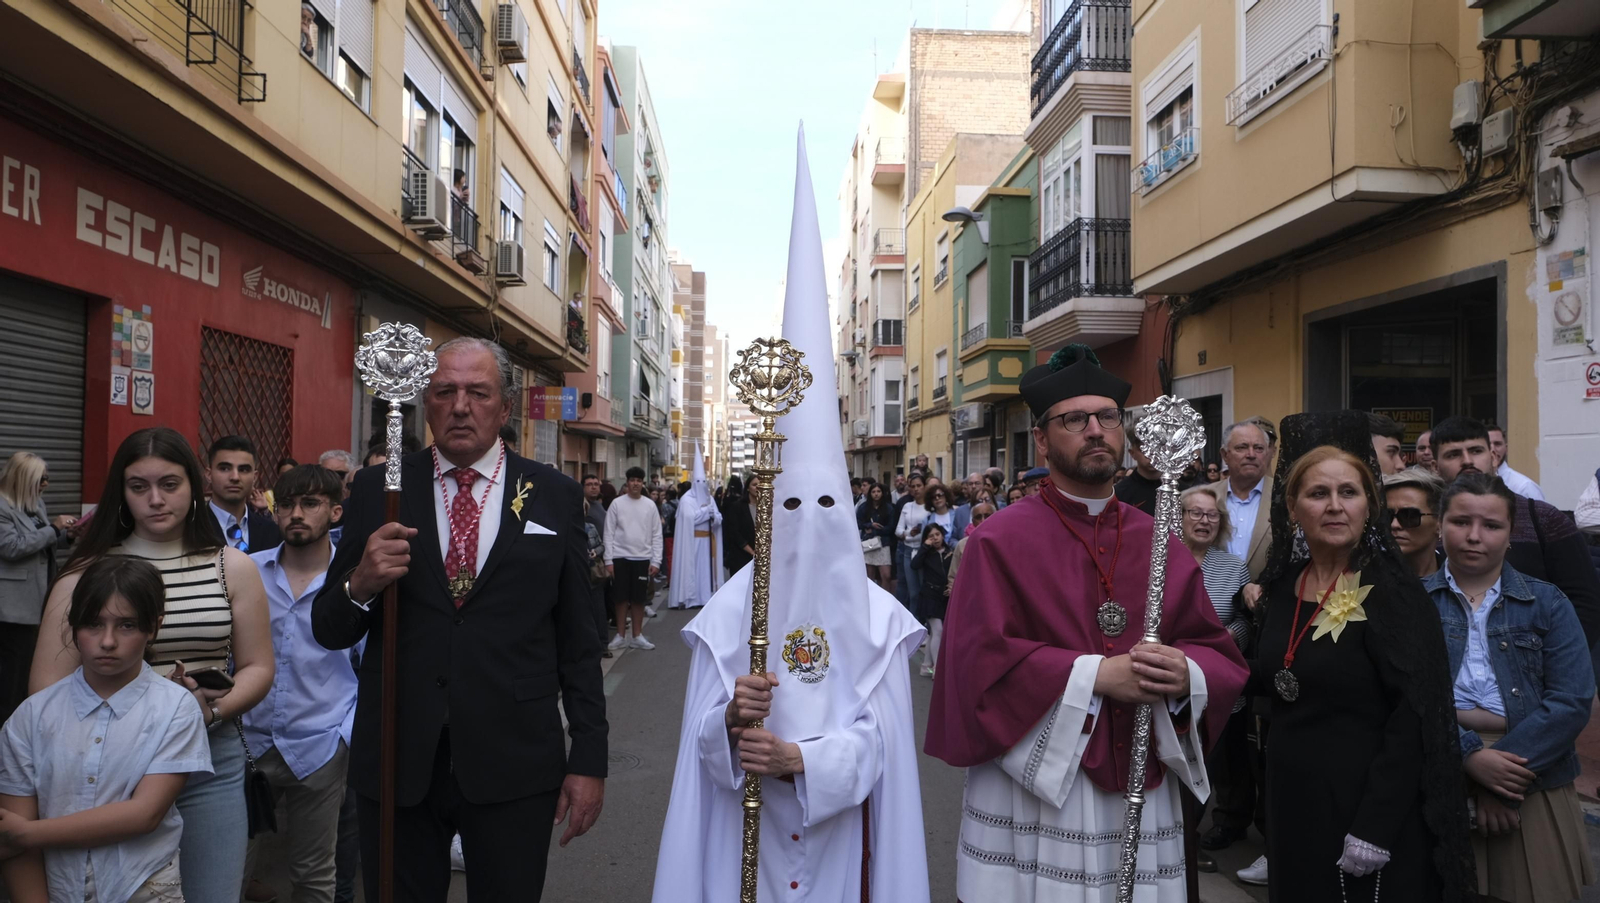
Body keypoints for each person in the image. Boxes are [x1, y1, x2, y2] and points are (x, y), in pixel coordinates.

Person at [652, 136, 930, 899]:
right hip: (740, 846)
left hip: (845, 850)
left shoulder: (879, 620)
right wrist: (732, 727)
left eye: (828, 505)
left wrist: (803, 760)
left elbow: (886, 750)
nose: (810, 522)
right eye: (792, 506)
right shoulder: (729, 612)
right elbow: (702, 747)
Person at [926, 343, 1248, 902]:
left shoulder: (1158, 540)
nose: (1096, 430)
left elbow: (1216, 654)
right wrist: (1096, 675)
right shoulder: (997, 542)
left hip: (1141, 779)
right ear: (1044, 438)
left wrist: (1183, 672)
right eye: (1075, 419)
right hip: (1033, 782)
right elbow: (976, 662)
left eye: (1107, 417)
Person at [310, 337, 607, 902]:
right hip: (398, 754)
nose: (461, 406)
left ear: (506, 407)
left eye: (478, 392)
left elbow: (578, 640)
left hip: (514, 758)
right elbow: (329, 627)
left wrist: (589, 757)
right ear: (426, 401)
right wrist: (361, 583)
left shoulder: (553, 495)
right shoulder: (381, 489)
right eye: (445, 391)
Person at [31, 426, 275, 903]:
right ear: (120, 493)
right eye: (138, 486)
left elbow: (258, 667)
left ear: (193, 485)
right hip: (106, 764)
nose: (155, 499)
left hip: (210, 760)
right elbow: (46, 694)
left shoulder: (233, 567)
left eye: (170, 484)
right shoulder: (84, 574)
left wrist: (207, 713)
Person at [1246, 413, 1472, 902]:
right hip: (1292, 799)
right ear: (1292, 506)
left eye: (1348, 493)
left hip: (1365, 806)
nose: (1334, 507)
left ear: (1369, 505)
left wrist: (1375, 824)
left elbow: (1414, 717)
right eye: (1317, 494)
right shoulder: (1283, 588)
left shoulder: (1394, 595)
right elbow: (1267, 677)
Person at [0, 556, 213, 903]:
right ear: (72, 625)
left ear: (153, 626)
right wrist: (19, 838)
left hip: (143, 888)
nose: (108, 641)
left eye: (127, 625)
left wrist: (26, 833)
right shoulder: (32, 717)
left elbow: (145, 813)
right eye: (93, 624)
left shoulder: (175, 708)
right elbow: (11, 840)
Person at [1426, 473, 1596, 903]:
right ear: (1440, 527)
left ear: (1510, 536)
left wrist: (1501, 778)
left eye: (1492, 525)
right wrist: (1469, 756)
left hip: (1533, 769)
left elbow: (1572, 700)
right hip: (1438, 760)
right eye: (1461, 522)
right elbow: (1407, 696)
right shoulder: (1415, 602)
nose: (1474, 536)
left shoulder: (1549, 602)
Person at [241, 465, 357, 903]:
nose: (296, 514)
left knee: (313, 876)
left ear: (335, 511)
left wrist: (345, 735)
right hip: (249, 742)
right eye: (286, 504)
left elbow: (368, 661)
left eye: (310, 504)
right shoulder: (247, 571)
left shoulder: (353, 581)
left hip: (320, 746)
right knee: (231, 866)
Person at [1432, 416, 1600, 663]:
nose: (1467, 461)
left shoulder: (1543, 519)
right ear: (1435, 466)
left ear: (1493, 456)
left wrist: (1560, 666)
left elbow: (1585, 602)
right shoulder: (1422, 522)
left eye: (1476, 451)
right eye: (1453, 454)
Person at [1177, 486, 1255, 857]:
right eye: (1196, 513)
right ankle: (1179, 831)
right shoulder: (1160, 560)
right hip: (1173, 672)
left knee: (1223, 756)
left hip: (1218, 673)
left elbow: (1244, 618)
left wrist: (1228, 637)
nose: (1204, 521)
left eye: (1212, 515)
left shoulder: (1232, 565)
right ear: (1179, 517)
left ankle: (1227, 822)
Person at [0, 452, 73, 726]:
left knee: (26, 666)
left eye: (47, 479)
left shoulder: (34, 504)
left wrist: (66, 537)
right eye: (40, 479)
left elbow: (42, 542)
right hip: (12, 607)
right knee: (13, 672)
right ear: (24, 479)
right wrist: (53, 529)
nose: (45, 484)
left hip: (37, 597)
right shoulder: (2, 507)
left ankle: (20, 721)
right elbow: (12, 547)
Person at [1210, 418, 1276, 611]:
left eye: (1259, 448)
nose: (1251, 455)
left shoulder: (1287, 498)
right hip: (1215, 611)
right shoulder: (1204, 498)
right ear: (1225, 454)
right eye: (1242, 447)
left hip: (1269, 609)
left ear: (1268, 453)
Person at [604, 466, 663, 650]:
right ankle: (620, 636)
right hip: (620, 557)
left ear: (642, 483)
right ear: (627, 483)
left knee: (639, 599)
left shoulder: (649, 505)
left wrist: (656, 560)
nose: (635, 483)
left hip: (642, 559)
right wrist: (608, 560)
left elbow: (656, 534)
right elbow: (608, 533)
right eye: (632, 480)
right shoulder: (617, 504)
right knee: (620, 598)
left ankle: (637, 636)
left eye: (639, 480)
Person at [206, 435, 284, 554]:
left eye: (243, 470)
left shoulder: (272, 531)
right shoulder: (190, 528)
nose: (235, 477)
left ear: (255, 477)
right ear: (209, 475)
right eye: (225, 468)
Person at [668, 445, 722, 610]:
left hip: (707, 541)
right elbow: (691, 518)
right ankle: (691, 597)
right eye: (698, 481)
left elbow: (718, 517)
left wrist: (714, 516)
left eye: (703, 482)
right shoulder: (686, 500)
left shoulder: (709, 497)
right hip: (691, 542)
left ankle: (706, 596)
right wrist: (706, 511)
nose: (701, 484)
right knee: (692, 569)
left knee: (705, 571)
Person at [1383, 467, 1444, 579]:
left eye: (1409, 516)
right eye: (1387, 516)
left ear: (1439, 523)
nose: (1394, 525)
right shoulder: (1362, 581)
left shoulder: (1462, 581)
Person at [911, 522, 953, 678]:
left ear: (942, 535)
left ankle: (926, 666)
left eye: (937, 534)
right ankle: (937, 667)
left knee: (934, 633)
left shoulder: (950, 552)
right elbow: (914, 565)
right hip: (929, 595)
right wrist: (924, 547)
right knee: (938, 631)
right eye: (931, 536)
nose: (935, 538)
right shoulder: (926, 554)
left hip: (944, 597)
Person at [580, 475, 611, 657]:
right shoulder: (571, 525)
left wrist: (596, 552)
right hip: (578, 574)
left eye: (595, 484)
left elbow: (602, 543)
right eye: (589, 484)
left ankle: (602, 644)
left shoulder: (594, 521)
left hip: (595, 573)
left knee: (599, 609)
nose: (593, 487)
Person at [893, 475, 929, 614]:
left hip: (925, 551)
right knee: (913, 592)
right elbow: (898, 530)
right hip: (909, 550)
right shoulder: (907, 506)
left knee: (924, 589)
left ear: (924, 486)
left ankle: (927, 621)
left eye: (919, 485)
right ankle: (914, 621)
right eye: (912, 486)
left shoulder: (930, 506)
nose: (916, 489)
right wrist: (909, 533)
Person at [1485, 423, 1544, 501]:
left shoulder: (1524, 487)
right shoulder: (1472, 482)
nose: (1492, 449)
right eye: (1488, 444)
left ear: (1506, 449)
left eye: (1497, 444)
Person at [1113, 426, 1162, 515]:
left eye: (1157, 447)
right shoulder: (1119, 494)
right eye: (1144, 449)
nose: (1151, 454)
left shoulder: (1181, 490)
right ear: (1132, 453)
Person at [857, 482, 895, 591]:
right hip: (869, 543)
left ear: (882, 493)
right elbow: (857, 522)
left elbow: (891, 527)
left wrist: (878, 529)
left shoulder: (889, 508)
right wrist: (869, 525)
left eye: (878, 491)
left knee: (886, 575)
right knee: (870, 575)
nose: (876, 494)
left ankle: (885, 598)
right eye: (873, 492)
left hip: (884, 542)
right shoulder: (864, 507)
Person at [720, 476, 755, 578]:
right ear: (748, 488)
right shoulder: (737, 507)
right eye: (754, 485)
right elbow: (734, 532)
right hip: (741, 557)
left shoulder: (768, 507)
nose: (758, 488)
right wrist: (751, 551)